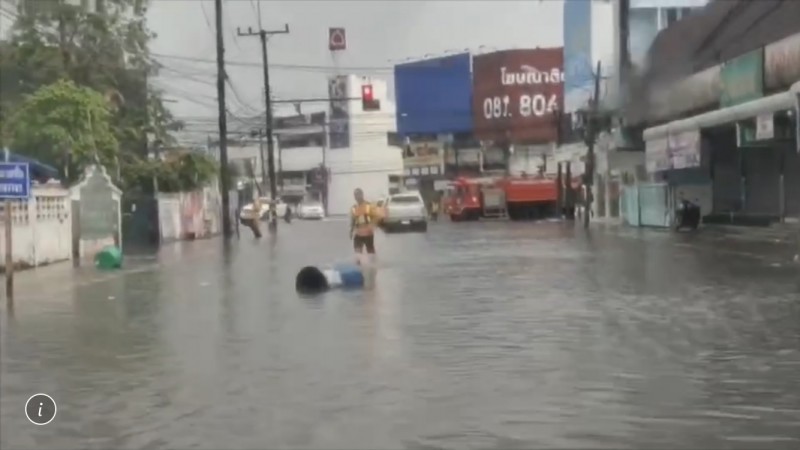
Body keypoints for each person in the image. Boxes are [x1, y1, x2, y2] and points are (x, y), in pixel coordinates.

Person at [350, 188, 380, 264]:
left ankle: (374, 264)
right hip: (358, 233)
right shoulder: (354, 207)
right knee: (357, 252)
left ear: (362, 195)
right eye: (355, 195)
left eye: (358, 195)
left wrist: (372, 225)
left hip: (368, 233)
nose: (356, 197)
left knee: (370, 250)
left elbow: (376, 217)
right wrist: (351, 231)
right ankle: (358, 266)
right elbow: (353, 220)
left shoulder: (368, 205)